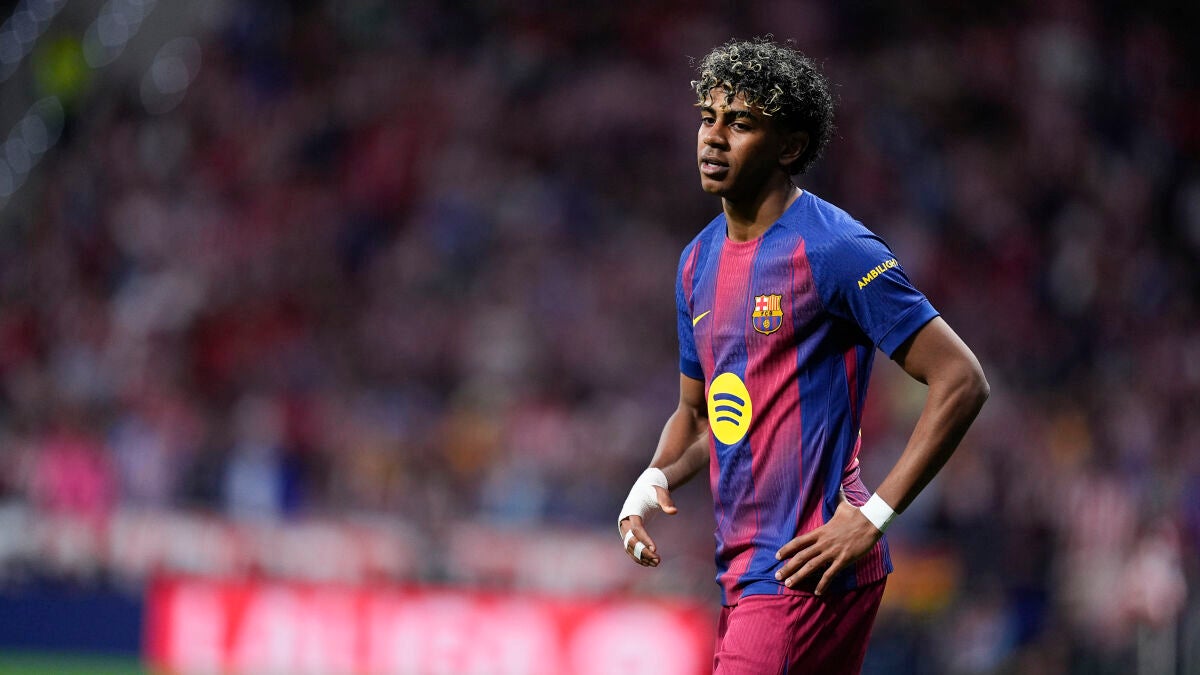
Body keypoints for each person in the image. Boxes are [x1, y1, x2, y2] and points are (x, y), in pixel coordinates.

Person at [617, 37, 990, 674]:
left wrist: (873, 517)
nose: (714, 138)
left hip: (803, 572)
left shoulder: (835, 249)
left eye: (740, 123)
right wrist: (649, 484)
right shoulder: (696, 263)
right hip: (747, 576)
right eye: (708, 117)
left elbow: (961, 378)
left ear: (789, 147)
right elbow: (701, 415)